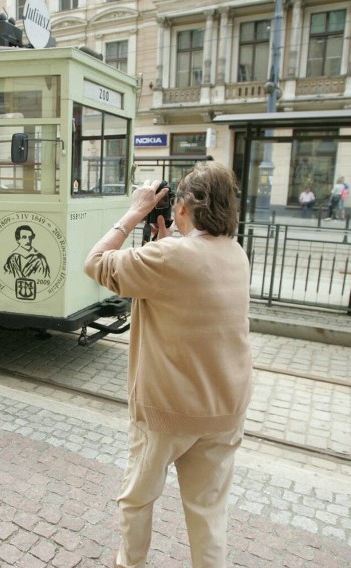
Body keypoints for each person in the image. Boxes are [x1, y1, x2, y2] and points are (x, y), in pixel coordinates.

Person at [84, 161, 252, 568]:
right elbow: (184, 277)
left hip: (166, 411)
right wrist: (162, 243)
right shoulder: (235, 253)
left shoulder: (169, 256)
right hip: (224, 409)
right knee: (208, 512)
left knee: (137, 500)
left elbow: (96, 262)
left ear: (181, 207)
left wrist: (135, 211)